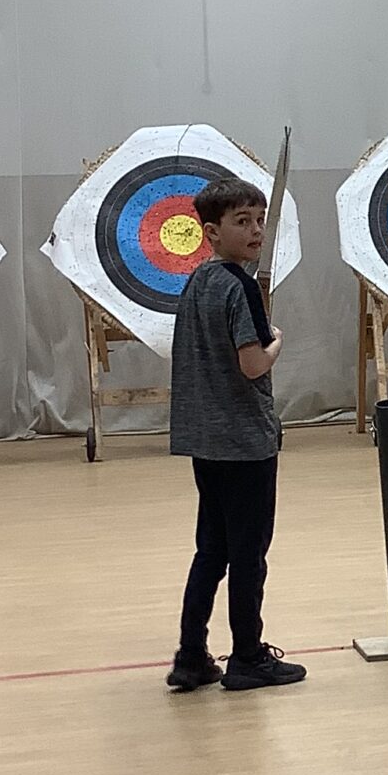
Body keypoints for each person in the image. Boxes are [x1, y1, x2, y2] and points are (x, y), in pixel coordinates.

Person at [166, 178, 306, 693]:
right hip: (245, 444)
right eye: (241, 222)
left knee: (211, 550)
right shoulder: (239, 286)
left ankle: (191, 657)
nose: (256, 231)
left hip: (207, 442)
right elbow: (251, 365)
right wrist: (276, 344)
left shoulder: (197, 282)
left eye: (259, 220)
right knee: (248, 554)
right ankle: (247, 657)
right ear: (211, 232)